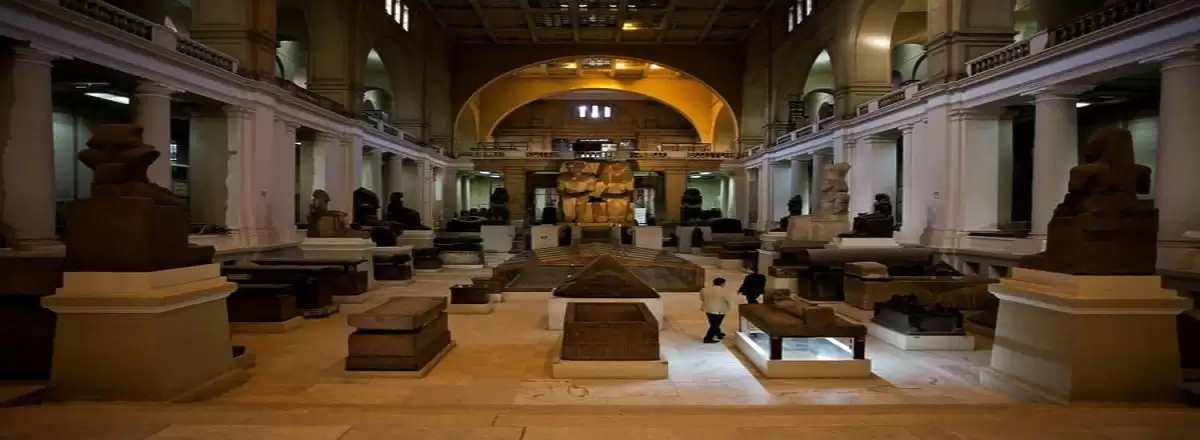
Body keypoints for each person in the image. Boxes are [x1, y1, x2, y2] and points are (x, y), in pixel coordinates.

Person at [699, 277, 734, 343]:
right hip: (719, 310)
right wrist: (730, 307)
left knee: (713, 322)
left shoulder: (704, 290)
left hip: (707, 308)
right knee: (715, 325)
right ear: (722, 284)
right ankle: (708, 338)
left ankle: (718, 333)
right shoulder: (724, 291)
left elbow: (702, 298)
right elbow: (729, 300)